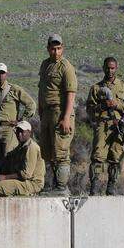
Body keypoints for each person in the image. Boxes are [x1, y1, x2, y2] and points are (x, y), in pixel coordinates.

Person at [85, 57, 124, 195]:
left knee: (115, 158)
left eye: (112, 68)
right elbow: (89, 109)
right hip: (102, 125)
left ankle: (111, 188)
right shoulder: (96, 88)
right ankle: (94, 188)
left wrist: (117, 104)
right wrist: (102, 106)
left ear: (116, 68)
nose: (110, 70)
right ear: (103, 68)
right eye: (108, 67)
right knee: (98, 157)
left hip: (118, 126)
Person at [38, 33, 77, 194]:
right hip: (46, 113)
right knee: (47, 152)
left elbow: (71, 93)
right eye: (53, 49)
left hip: (60, 112)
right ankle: (52, 185)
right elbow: (42, 89)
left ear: (63, 49)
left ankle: (61, 187)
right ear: (48, 49)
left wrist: (66, 117)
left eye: (59, 48)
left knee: (61, 151)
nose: (56, 52)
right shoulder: (45, 65)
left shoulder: (66, 67)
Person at [0, 63, 36, 175]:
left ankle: (8, 184)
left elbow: (31, 105)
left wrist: (21, 121)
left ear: (6, 74)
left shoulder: (14, 89)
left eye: (3, 73)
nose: (1, 75)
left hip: (9, 129)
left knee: (9, 157)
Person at [0, 120, 45, 196]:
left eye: (22, 132)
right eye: (18, 131)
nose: (19, 134)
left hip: (32, 183)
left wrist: (5, 177)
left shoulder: (31, 147)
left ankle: (26, 194)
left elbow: (26, 175)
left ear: (29, 132)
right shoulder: (20, 147)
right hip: (24, 181)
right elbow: (9, 158)